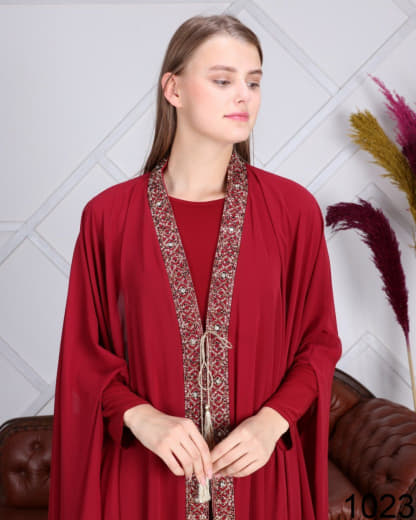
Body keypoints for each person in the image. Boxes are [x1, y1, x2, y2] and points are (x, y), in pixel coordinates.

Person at [48, 13, 342, 520]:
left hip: (261, 480)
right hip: (143, 484)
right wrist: (140, 416)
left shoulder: (293, 212)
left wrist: (272, 422)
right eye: (224, 80)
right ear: (174, 89)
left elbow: (318, 343)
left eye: (253, 82)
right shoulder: (108, 218)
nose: (244, 96)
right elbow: (83, 355)